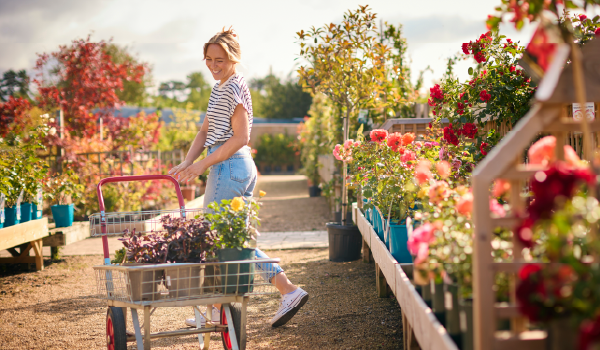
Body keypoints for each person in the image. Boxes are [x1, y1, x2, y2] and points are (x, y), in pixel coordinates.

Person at [169, 27, 308, 328]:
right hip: (237, 167)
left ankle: (283, 291)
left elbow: (241, 136)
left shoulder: (232, 87)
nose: (213, 65)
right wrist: (187, 161)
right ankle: (230, 306)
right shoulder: (222, 87)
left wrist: (203, 164)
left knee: (222, 239)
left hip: (228, 165)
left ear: (234, 59)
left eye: (220, 60)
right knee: (232, 240)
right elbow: (205, 130)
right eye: (208, 59)